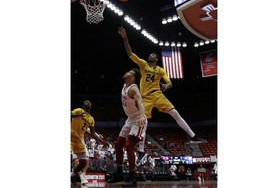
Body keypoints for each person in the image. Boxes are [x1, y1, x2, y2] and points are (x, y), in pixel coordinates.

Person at [118, 26, 207, 163]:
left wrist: (166, 85)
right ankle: (141, 151)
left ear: (157, 59)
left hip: (158, 95)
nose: (152, 55)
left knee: (175, 112)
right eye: (151, 54)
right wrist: (125, 38)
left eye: (154, 54)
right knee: (143, 121)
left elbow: (169, 82)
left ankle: (193, 136)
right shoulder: (143, 64)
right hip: (145, 97)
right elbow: (130, 53)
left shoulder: (160, 70)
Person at [107, 68, 148, 186]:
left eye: (130, 72)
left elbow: (140, 101)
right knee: (118, 144)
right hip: (130, 119)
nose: (126, 72)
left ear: (133, 77)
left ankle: (132, 176)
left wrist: (141, 116)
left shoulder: (133, 88)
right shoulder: (125, 84)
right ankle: (119, 173)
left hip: (138, 120)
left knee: (129, 145)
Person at [71, 100, 109, 185]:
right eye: (85, 102)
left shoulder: (91, 119)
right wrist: (77, 115)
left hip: (79, 139)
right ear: (83, 106)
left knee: (85, 160)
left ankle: (76, 175)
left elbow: (91, 132)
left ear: (91, 106)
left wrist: (102, 141)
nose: (87, 102)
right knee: (75, 159)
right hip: (70, 136)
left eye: (89, 102)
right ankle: (81, 177)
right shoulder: (79, 110)